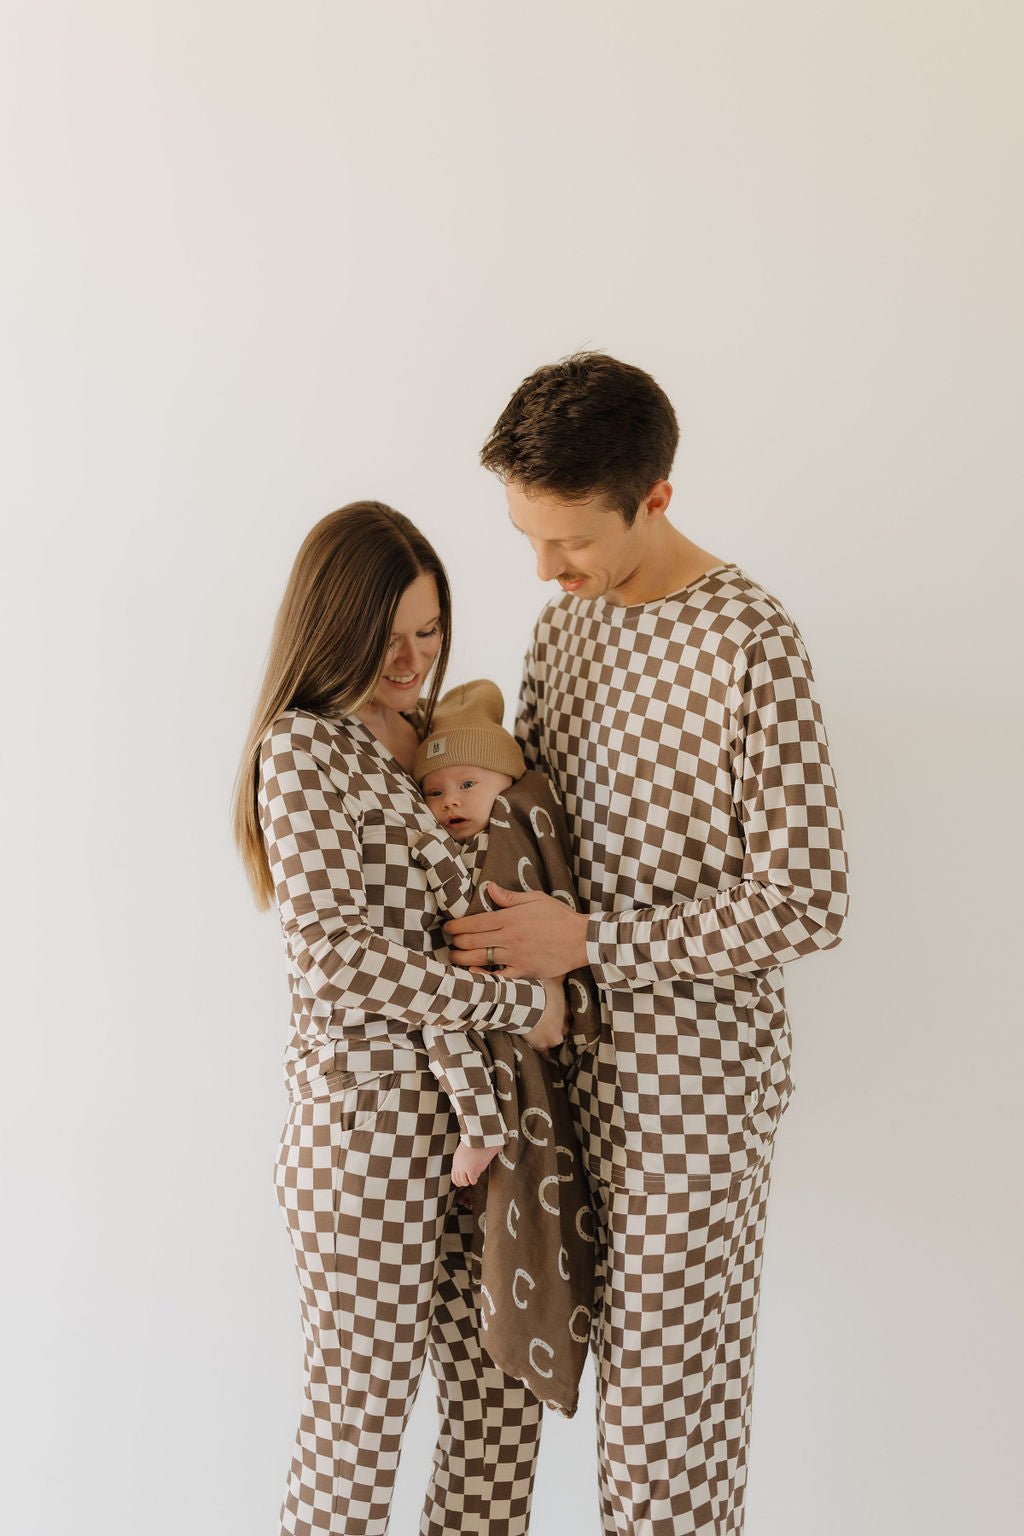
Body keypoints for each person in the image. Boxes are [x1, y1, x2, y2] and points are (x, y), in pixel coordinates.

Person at [444, 354, 850, 1534]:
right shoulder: (561, 632)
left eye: (569, 540)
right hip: (553, 1072)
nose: (544, 568)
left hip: (692, 1087)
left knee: (665, 1419)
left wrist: (590, 942)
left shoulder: (747, 640)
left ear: (655, 497)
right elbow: (530, 830)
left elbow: (808, 899)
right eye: (527, 536)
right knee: (518, 1377)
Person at [233, 501, 567, 1536]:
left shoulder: (440, 742)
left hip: (489, 1124)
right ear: (332, 626)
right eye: (388, 638)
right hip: (366, 1130)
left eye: (430, 632)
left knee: (500, 1420)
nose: (413, 660)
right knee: (358, 1433)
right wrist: (517, 1000)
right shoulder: (303, 748)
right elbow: (335, 958)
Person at [412, 677, 600, 1416]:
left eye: (468, 783)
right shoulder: (441, 864)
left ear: (505, 784)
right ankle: (483, 1124)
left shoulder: (516, 843)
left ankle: (484, 1126)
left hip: (504, 1043)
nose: (450, 801)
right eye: (434, 791)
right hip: (468, 1032)